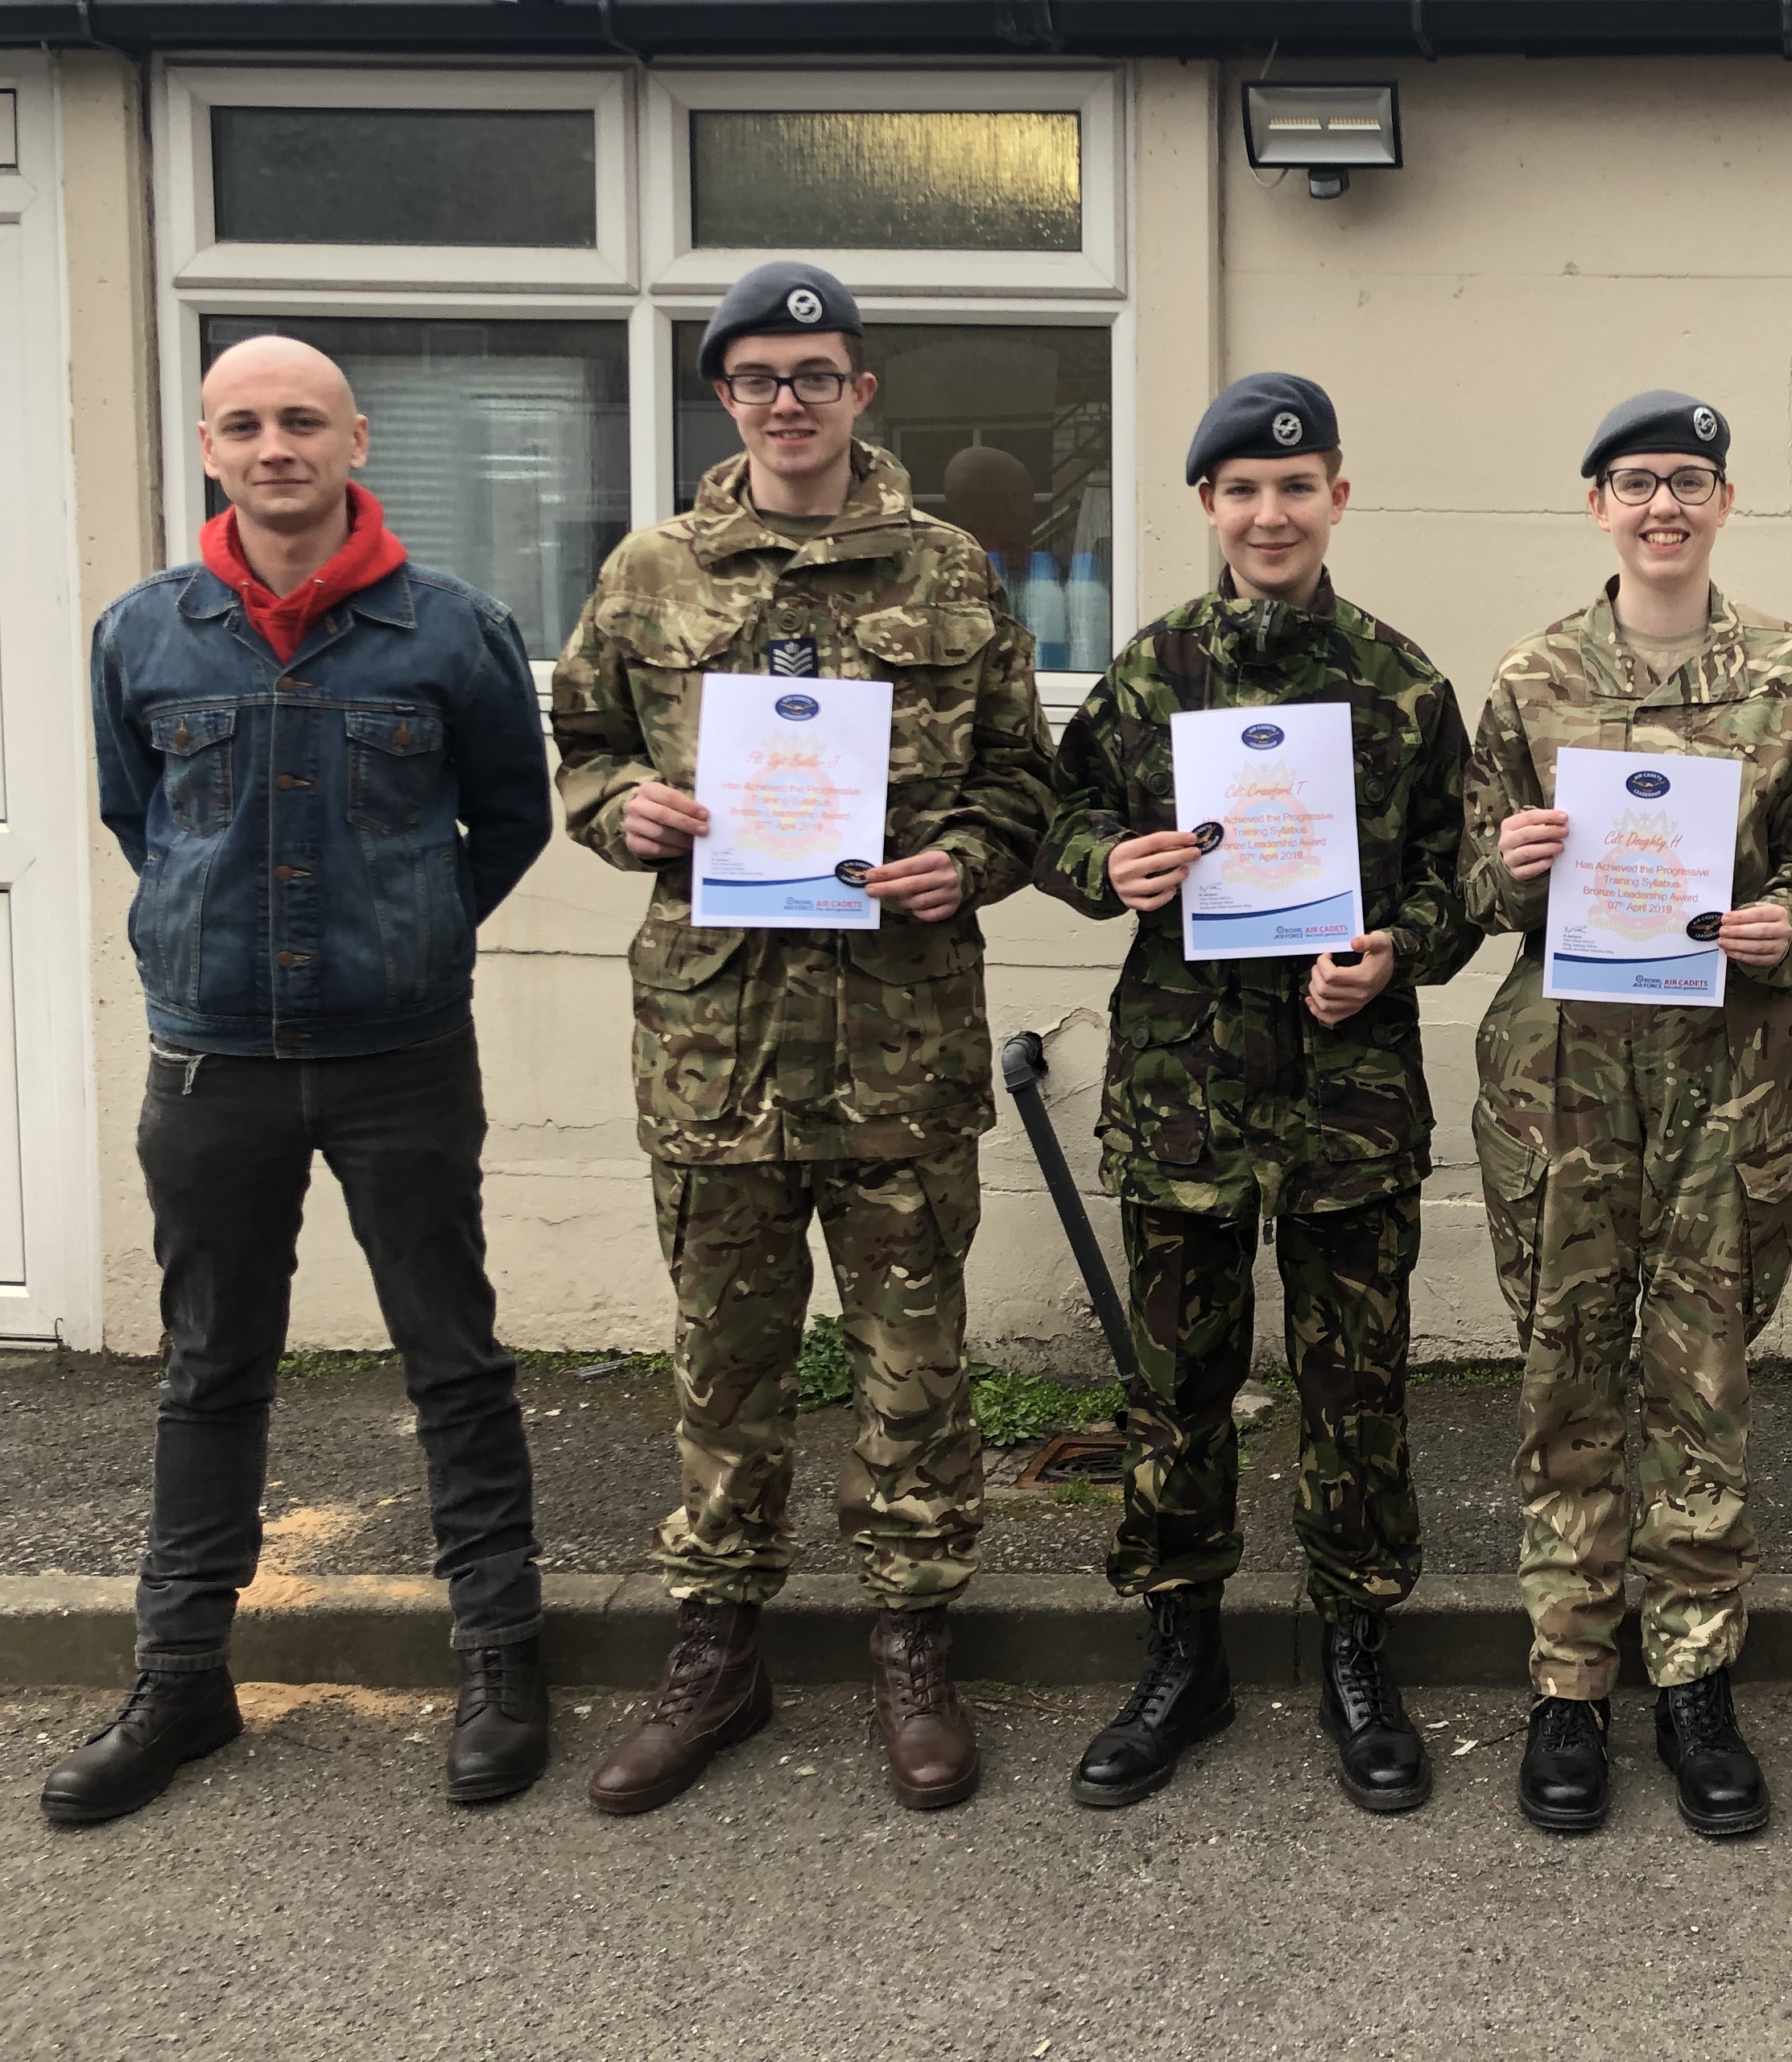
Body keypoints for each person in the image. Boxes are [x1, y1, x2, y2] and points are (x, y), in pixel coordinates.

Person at [552, 261, 1053, 1816]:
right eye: (761, 377)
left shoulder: (951, 572)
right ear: (725, 396)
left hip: (899, 1040)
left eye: (816, 374)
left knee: (915, 1360)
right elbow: (580, 748)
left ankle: (913, 1642)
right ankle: (719, 1650)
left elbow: (1024, 782)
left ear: (861, 392)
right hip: (717, 1045)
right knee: (725, 1359)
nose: (789, 400)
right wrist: (621, 811)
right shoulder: (651, 573)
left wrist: (963, 860)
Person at [56, 334, 555, 1824]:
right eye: (244, 425)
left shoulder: (452, 632)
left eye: (301, 422)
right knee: (210, 1366)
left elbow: (509, 820)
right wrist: (208, 935)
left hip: (403, 1057)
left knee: (452, 1357)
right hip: (211, 1060)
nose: (274, 447)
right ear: (210, 449)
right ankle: (181, 1677)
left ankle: (501, 1658)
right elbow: (140, 817)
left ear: (355, 441)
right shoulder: (146, 633)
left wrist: (409, 931)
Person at [1041, 373, 1479, 1816]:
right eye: (1243, 491)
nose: (1270, 513)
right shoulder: (1151, 670)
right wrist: (1107, 865)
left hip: (1350, 1098)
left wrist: (1397, 951)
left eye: (1297, 488)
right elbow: (1054, 815)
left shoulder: (1403, 682)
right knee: (1179, 1389)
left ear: (1336, 497)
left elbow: (1458, 877)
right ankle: (1184, 1655)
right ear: (1208, 506)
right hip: (1189, 1091)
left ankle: (1358, 1648)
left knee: (1358, 1388)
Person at [1463, 390, 1792, 1839]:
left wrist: (1789, 927)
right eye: (1636, 482)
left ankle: (1695, 1675)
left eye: (1690, 481)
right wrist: (1510, 863)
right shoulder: (1531, 678)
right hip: (1563, 1084)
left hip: (1728, 1075)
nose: (1664, 507)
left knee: (1703, 1380)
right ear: (1599, 506)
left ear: (1724, 503)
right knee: (1566, 1374)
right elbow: (1466, 884)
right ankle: (1569, 1680)